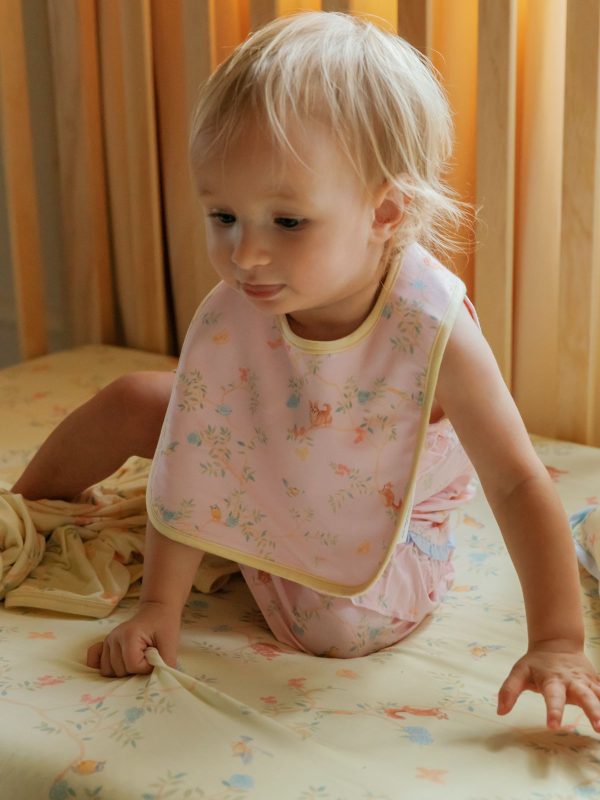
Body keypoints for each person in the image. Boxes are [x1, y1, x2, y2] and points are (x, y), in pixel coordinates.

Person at [12, 11, 600, 732]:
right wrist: (159, 606)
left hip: (383, 511)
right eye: (223, 215)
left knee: (335, 625)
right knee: (137, 398)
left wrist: (557, 641)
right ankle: (22, 514)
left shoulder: (431, 329)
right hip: (279, 446)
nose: (245, 254)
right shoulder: (243, 302)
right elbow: (202, 446)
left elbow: (515, 481)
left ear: (385, 213)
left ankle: (250, 539)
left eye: (287, 222)